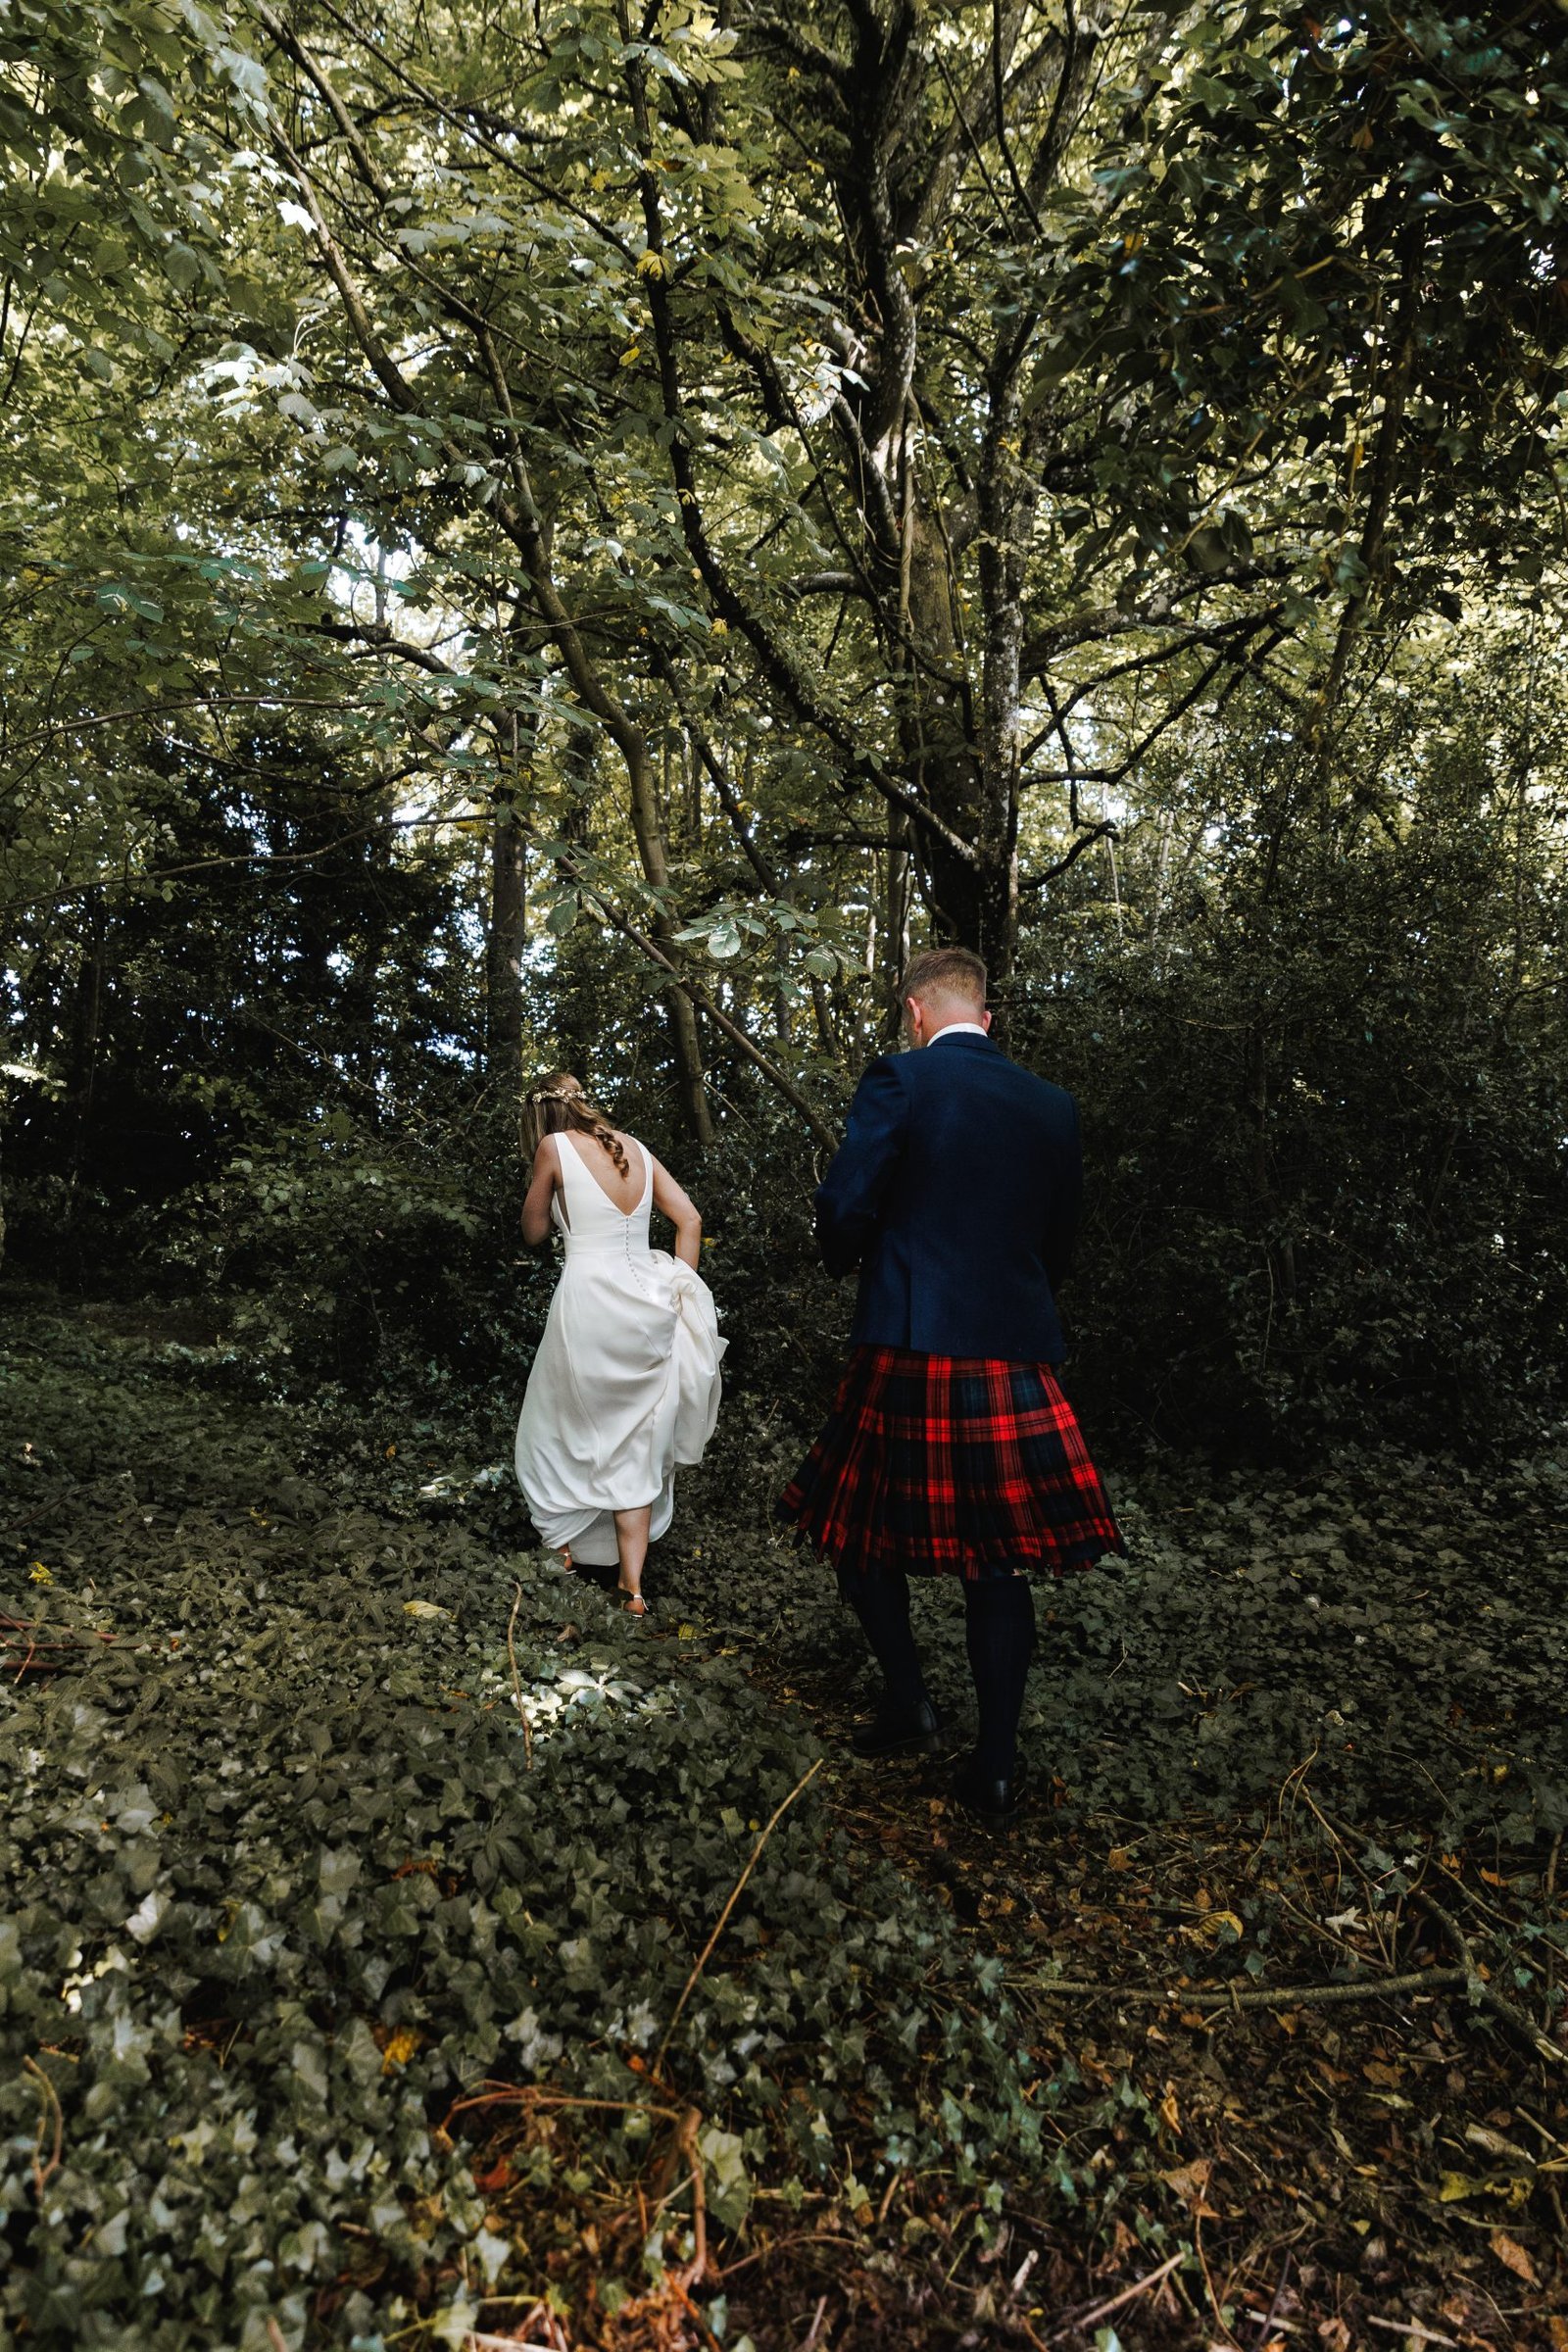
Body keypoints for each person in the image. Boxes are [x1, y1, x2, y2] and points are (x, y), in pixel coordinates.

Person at [780, 948, 1122, 1825]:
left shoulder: (901, 1078)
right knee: (1000, 1562)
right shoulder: (1053, 1106)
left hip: (910, 1337)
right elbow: (1063, 1243)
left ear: (916, 1013)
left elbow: (847, 1203)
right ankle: (996, 1767)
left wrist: (844, 1252)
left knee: (856, 1530)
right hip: (1011, 1350)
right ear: (988, 1017)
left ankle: (910, 1702)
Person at [514, 1074, 725, 1613]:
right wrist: (682, 1287)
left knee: (555, 1429)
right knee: (636, 1441)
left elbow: (534, 1232)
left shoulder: (552, 1147)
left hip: (587, 1303)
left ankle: (562, 1556)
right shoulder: (636, 1148)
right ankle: (633, 1591)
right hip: (648, 1305)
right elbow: (691, 1219)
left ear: (540, 1116)